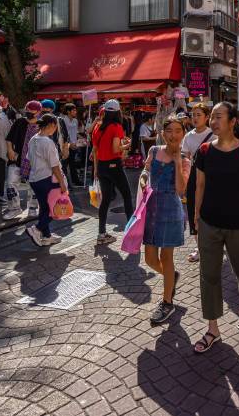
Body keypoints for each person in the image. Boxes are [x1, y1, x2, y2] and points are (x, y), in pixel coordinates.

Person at [192, 102, 239, 353]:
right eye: (211, 117)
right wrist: (197, 217)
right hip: (209, 223)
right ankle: (213, 329)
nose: (213, 121)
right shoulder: (205, 151)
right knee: (208, 275)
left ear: (232, 122)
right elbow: (199, 186)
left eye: (219, 117)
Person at [140, 115, 191, 324]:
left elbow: (181, 189)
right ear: (163, 133)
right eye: (169, 130)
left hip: (170, 210)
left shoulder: (186, 160)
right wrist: (143, 179)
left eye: (178, 131)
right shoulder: (153, 151)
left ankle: (167, 301)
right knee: (150, 259)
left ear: (183, 134)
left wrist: (178, 159)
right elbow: (145, 170)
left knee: (166, 257)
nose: (173, 135)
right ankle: (171, 277)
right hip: (150, 209)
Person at [92, 99, 134, 246]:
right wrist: (128, 145)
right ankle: (130, 232)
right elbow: (116, 149)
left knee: (105, 200)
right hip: (114, 165)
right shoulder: (116, 127)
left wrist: (96, 170)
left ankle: (101, 233)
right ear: (117, 112)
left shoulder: (98, 127)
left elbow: (95, 151)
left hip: (102, 167)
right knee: (127, 196)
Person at [25, 114, 68, 247]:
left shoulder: (33, 139)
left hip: (35, 178)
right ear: (51, 126)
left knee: (44, 207)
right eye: (55, 126)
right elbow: (54, 165)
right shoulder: (47, 142)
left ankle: (47, 235)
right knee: (52, 208)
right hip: (46, 179)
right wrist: (62, 183)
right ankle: (36, 229)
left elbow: (28, 158)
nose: (55, 129)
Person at [181, 103, 213, 263]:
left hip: (212, 176)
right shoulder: (188, 136)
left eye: (199, 114)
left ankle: (214, 243)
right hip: (193, 175)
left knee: (211, 208)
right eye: (193, 114)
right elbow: (185, 157)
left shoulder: (214, 135)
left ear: (207, 117)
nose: (195, 117)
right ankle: (199, 247)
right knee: (193, 208)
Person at [5, 100, 43, 219]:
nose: (29, 112)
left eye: (32, 111)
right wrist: (10, 150)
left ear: (38, 112)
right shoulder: (20, 122)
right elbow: (9, 138)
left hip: (35, 161)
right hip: (16, 158)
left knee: (34, 186)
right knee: (11, 183)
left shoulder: (42, 124)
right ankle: (14, 208)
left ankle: (33, 208)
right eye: (28, 110)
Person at [61, 103, 82, 187]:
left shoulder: (75, 120)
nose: (75, 112)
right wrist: (69, 143)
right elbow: (64, 134)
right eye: (73, 110)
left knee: (72, 164)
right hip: (66, 145)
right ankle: (66, 183)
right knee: (64, 165)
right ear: (68, 111)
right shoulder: (63, 120)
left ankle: (75, 180)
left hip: (74, 145)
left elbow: (76, 133)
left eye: (75, 110)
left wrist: (82, 140)